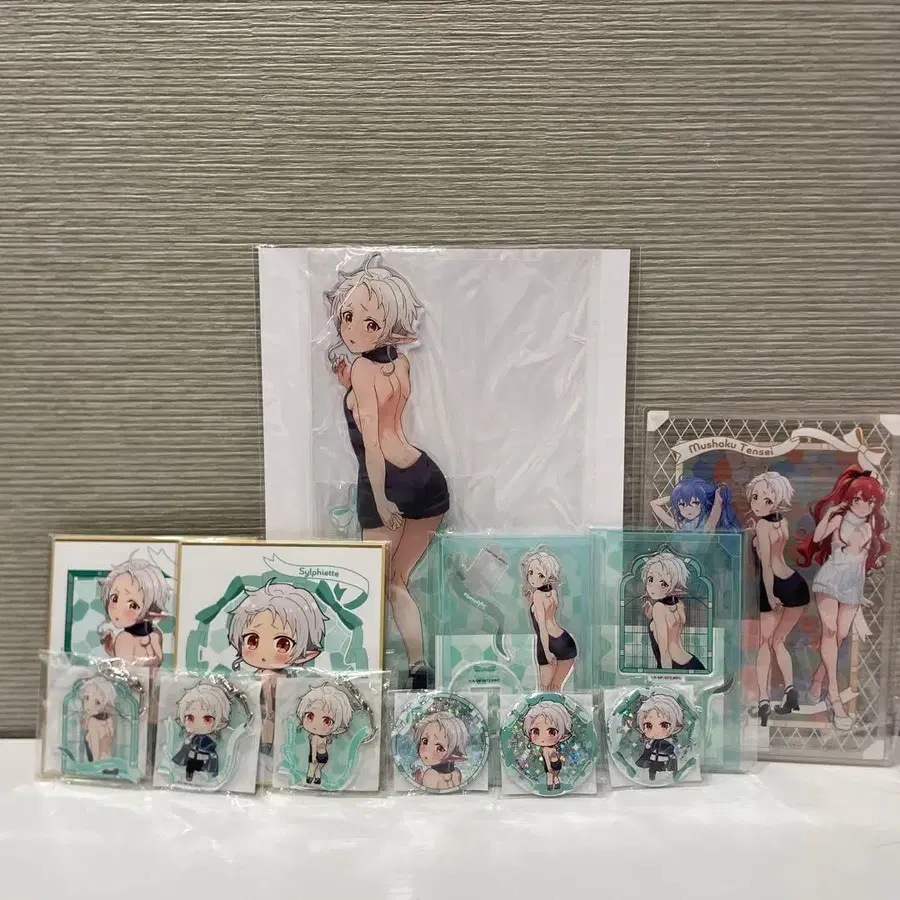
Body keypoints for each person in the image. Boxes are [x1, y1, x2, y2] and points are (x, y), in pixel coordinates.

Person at [325, 254, 450, 689]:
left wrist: (380, 500)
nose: (352, 329)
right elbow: (386, 409)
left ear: (387, 325)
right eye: (347, 317)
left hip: (387, 482)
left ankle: (363, 671)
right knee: (397, 580)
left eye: (369, 323)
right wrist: (350, 386)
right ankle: (419, 667)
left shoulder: (362, 368)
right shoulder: (399, 363)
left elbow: (374, 443)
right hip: (426, 478)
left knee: (374, 582)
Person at [797, 466, 889, 730]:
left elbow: (864, 561)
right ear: (851, 498)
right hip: (829, 581)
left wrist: (862, 593)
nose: (864, 505)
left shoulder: (872, 525)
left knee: (839, 637)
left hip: (852, 587)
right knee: (829, 632)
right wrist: (829, 514)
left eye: (870, 501)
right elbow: (817, 538)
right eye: (859, 499)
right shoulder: (839, 519)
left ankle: (817, 681)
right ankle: (834, 697)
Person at [228, 582, 326, 752]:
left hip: (274, 729)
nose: (264, 653)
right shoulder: (255, 678)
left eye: (283, 643)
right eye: (252, 640)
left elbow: (272, 712)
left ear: (306, 654)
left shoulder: (282, 679)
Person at [746, 471, 810, 725]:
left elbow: (767, 567)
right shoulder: (781, 522)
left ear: (778, 501)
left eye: (767, 500)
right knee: (779, 640)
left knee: (765, 643)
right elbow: (775, 551)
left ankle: (763, 700)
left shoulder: (763, 526)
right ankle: (790, 692)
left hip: (775, 586)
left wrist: (771, 595)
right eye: (755, 497)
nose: (758, 503)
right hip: (796, 584)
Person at [521, 549, 578, 691]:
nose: (533, 578)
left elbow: (543, 627)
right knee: (556, 689)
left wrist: (546, 652)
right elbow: (549, 615)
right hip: (565, 642)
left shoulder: (538, 596)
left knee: (544, 691)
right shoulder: (552, 592)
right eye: (531, 572)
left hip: (548, 642)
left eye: (540, 575)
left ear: (549, 576)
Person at [98, 554, 170, 666]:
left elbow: (126, 667)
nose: (118, 610)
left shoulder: (126, 638)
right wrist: (111, 650)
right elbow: (156, 660)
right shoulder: (155, 634)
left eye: (133, 605)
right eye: (115, 598)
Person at [640, 550, 705, 671]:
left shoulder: (659, 608)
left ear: (674, 585)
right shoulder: (679, 605)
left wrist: (667, 675)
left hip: (673, 665)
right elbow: (672, 632)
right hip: (691, 662)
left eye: (663, 584)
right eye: (651, 579)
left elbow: (664, 651)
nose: (653, 587)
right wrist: (652, 618)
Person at [171, 682, 232, 782]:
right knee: (190, 767)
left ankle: (203, 778)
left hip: (203, 761)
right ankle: (191, 775)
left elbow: (212, 752)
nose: (198, 724)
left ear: (219, 722)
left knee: (202, 772)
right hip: (191, 759)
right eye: (190, 718)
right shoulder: (191, 738)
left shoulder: (208, 742)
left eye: (207, 719)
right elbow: (184, 751)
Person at [296, 683, 353, 786]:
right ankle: (317, 779)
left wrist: (313, 758)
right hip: (324, 756)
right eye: (310, 716)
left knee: (312, 767)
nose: (316, 725)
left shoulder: (315, 738)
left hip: (317, 755)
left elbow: (314, 748)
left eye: (326, 721)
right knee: (318, 769)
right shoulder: (324, 737)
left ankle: (309, 779)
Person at [650, 475, 741, 533]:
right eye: (682, 505)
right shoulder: (679, 525)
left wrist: (682, 496)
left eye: (695, 503)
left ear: (702, 504)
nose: (689, 509)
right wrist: (677, 496)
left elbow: (717, 506)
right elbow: (654, 503)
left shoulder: (707, 526)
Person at [412, 711, 469, 791]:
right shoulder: (456, 773)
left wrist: (419, 781)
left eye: (439, 748)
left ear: (454, 752)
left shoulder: (431, 775)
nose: (426, 751)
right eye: (425, 741)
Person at [523, 700, 572, 791]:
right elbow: (556, 755)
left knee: (550, 776)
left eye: (551, 732)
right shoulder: (554, 748)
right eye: (536, 731)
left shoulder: (546, 750)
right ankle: (557, 784)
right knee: (555, 775)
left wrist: (549, 768)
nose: (543, 738)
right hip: (557, 763)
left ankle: (550, 787)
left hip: (551, 764)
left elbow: (547, 760)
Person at [634, 693, 684, 782]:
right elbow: (648, 750)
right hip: (653, 759)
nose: (656, 732)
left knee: (662, 770)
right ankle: (652, 777)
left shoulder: (667, 743)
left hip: (663, 760)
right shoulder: (652, 742)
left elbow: (670, 750)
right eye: (648, 725)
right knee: (653, 770)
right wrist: (648, 747)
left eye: (664, 725)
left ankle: (658, 777)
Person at [79, 676, 117, 762]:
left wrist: (95, 765)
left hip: (98, 763)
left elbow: (95, 746)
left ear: (106, 704)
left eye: (97, 702)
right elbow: (109, 742)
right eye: (87, 698)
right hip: (109, 761)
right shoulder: (109, 720)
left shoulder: (93, 722)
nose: (89, 705)